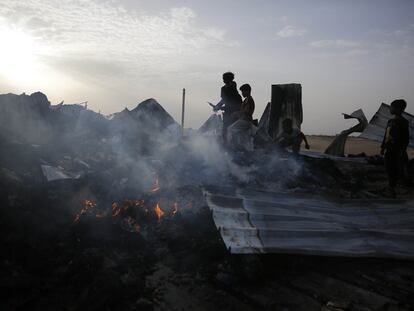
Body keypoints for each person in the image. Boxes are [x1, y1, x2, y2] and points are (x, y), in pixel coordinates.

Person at [380, 99, 410, 197]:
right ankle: (391, 186)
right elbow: (386, 135)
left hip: (397, 150)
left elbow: (406, 137)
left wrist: (403, 150)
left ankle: (392, 188)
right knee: (388, 168)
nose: (390, 108)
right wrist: (383, 147)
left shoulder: (403, 122)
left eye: (392, 107)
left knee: (395, 169)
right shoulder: (390, 121)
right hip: (389, 149)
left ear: (398, 109)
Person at [213, 72, 242, 144]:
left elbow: (233, 100)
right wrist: (217, 106)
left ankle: (234, 146)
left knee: (234, 131)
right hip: (227, 112)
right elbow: (224, 100)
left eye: (225, 79)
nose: (223, 81)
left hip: (235, 112)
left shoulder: (233, 87)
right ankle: (226, 147)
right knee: (225, 130)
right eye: (223, 79)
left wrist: (220, 107)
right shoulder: (223, 89)